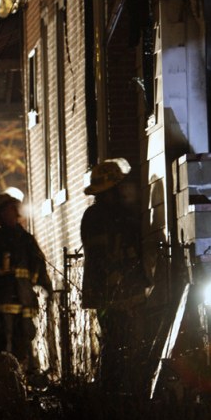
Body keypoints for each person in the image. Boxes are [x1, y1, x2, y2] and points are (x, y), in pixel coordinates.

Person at [81, 157, 148, 391]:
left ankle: (125, 387)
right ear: (111, 189)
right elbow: (100, 255)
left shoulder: (121, 215)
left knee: (130, 341)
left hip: (127, 288)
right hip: (108, 292)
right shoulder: (97, 217)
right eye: (119, 185)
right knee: (115, 341)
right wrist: (112, 276)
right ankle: (112, 388)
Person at [0, 190, 53, 377]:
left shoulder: (27, 240)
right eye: (6, 210)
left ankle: (21, 383)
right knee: (1, 345)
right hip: (0, 304)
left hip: (24, 302)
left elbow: (39, 265)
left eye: (12, 209)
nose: (10, 213)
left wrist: (47, 286)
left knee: (23, 343)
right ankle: (1, 382)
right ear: (0, 215)